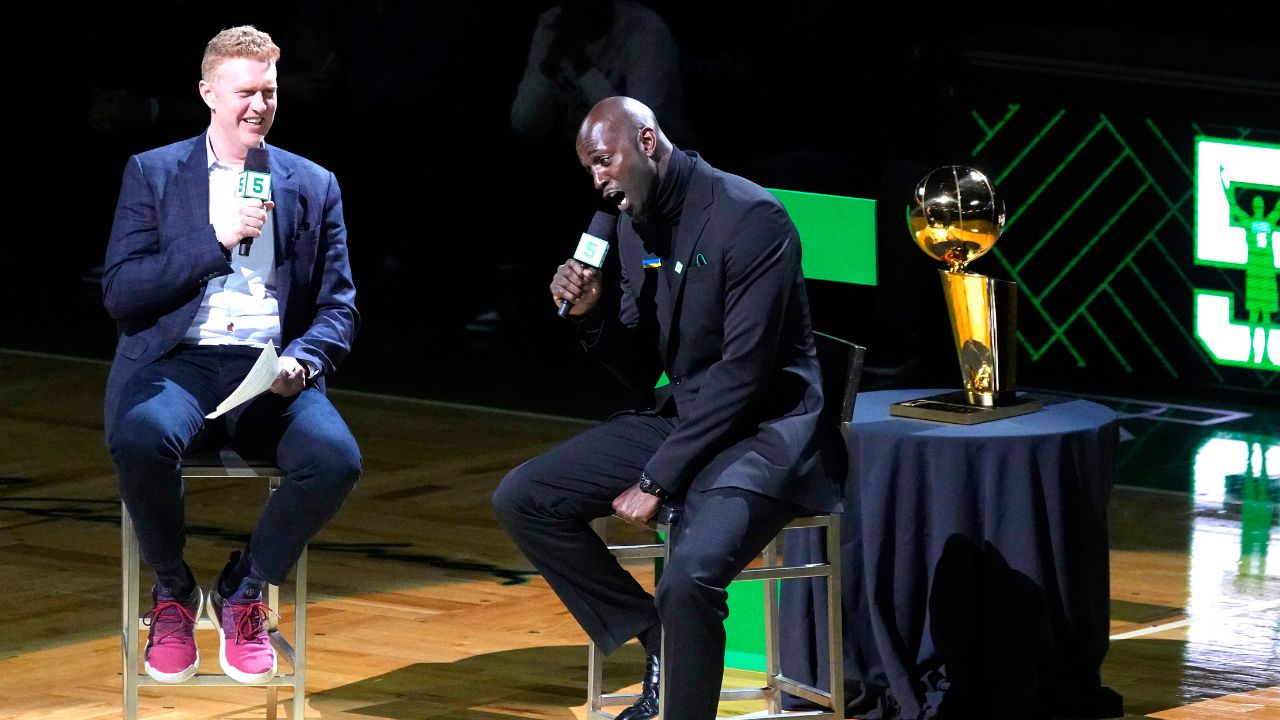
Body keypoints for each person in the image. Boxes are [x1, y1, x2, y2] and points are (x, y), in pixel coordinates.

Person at [492, 96, 840, 720]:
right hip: (686, 416)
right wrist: (591, 313)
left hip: (763, 432)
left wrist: (657, 478)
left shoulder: (750, 217)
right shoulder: (630, 223)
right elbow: (637, 369)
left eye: (604, 160)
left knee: (688, 580)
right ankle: (658, 639)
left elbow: (745, 373)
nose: (598, 180)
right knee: (524, 497)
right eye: (589, 168)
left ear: (647, 142)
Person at [103, 25, 361, 686]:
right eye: (245, 92)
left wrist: (300, 364)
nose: (259, 106)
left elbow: (339, 308)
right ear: (208, 92)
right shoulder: (154, 173)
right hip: (178, 364)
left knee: (335, 459)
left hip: (268, 370)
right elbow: (123, 293)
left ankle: (243, 592)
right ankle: (172, 591)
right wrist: (214, 242)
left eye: (269, 93)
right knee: (140, 438)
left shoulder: (312, 182)